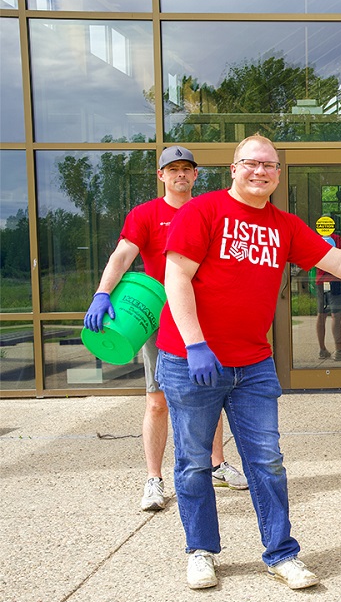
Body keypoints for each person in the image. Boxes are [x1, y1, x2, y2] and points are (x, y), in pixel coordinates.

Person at [155, 136, 341, 590]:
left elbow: (339, 260)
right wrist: (195, 343)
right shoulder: (201, 211)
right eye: (251, 163)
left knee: (266, 461)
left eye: (269, 165)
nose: (260, 171)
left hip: (252, 364)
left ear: (278, 174)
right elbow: (176, 277)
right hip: (192, 360)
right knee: (192, 462)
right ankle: (201, 550)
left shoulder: (283, 226)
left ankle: (280, 553)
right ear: (233, 168)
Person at [84, 146, 247, 514]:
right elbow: (122, 256)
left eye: (186, 169)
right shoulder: (146, 215)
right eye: (172, 170)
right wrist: (102, 293)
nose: (180, 175)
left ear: (196, 175)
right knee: (157, 400)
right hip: (160, 321)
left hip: (206, 318)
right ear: (161, 176)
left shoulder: (210, 211)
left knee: (212, 393)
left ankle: (217, 465)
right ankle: (154, 479)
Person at [315, 231, 341, 361]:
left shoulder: (316, 238)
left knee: (321, 314)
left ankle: (322, 349)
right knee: (336, 315)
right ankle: (338, 350)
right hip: (335, 279)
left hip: (321, 280)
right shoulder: (337, 239)